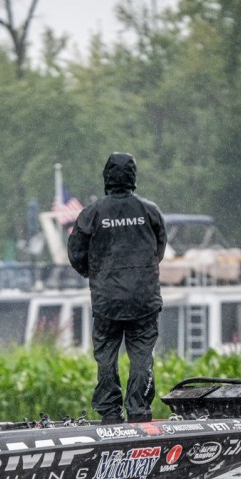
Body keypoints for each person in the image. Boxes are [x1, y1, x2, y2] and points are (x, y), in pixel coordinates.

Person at [67, 152, 166, 423]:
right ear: (133, 177)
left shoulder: (92, 213)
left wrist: (95, 274)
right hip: (143, 299)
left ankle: (110, 413)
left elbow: (75, 253)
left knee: (106, 357)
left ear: (106, 177)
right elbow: (159, 250)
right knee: (142, 356)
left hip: (106, 300)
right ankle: (139, 410)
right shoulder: (150, 211)